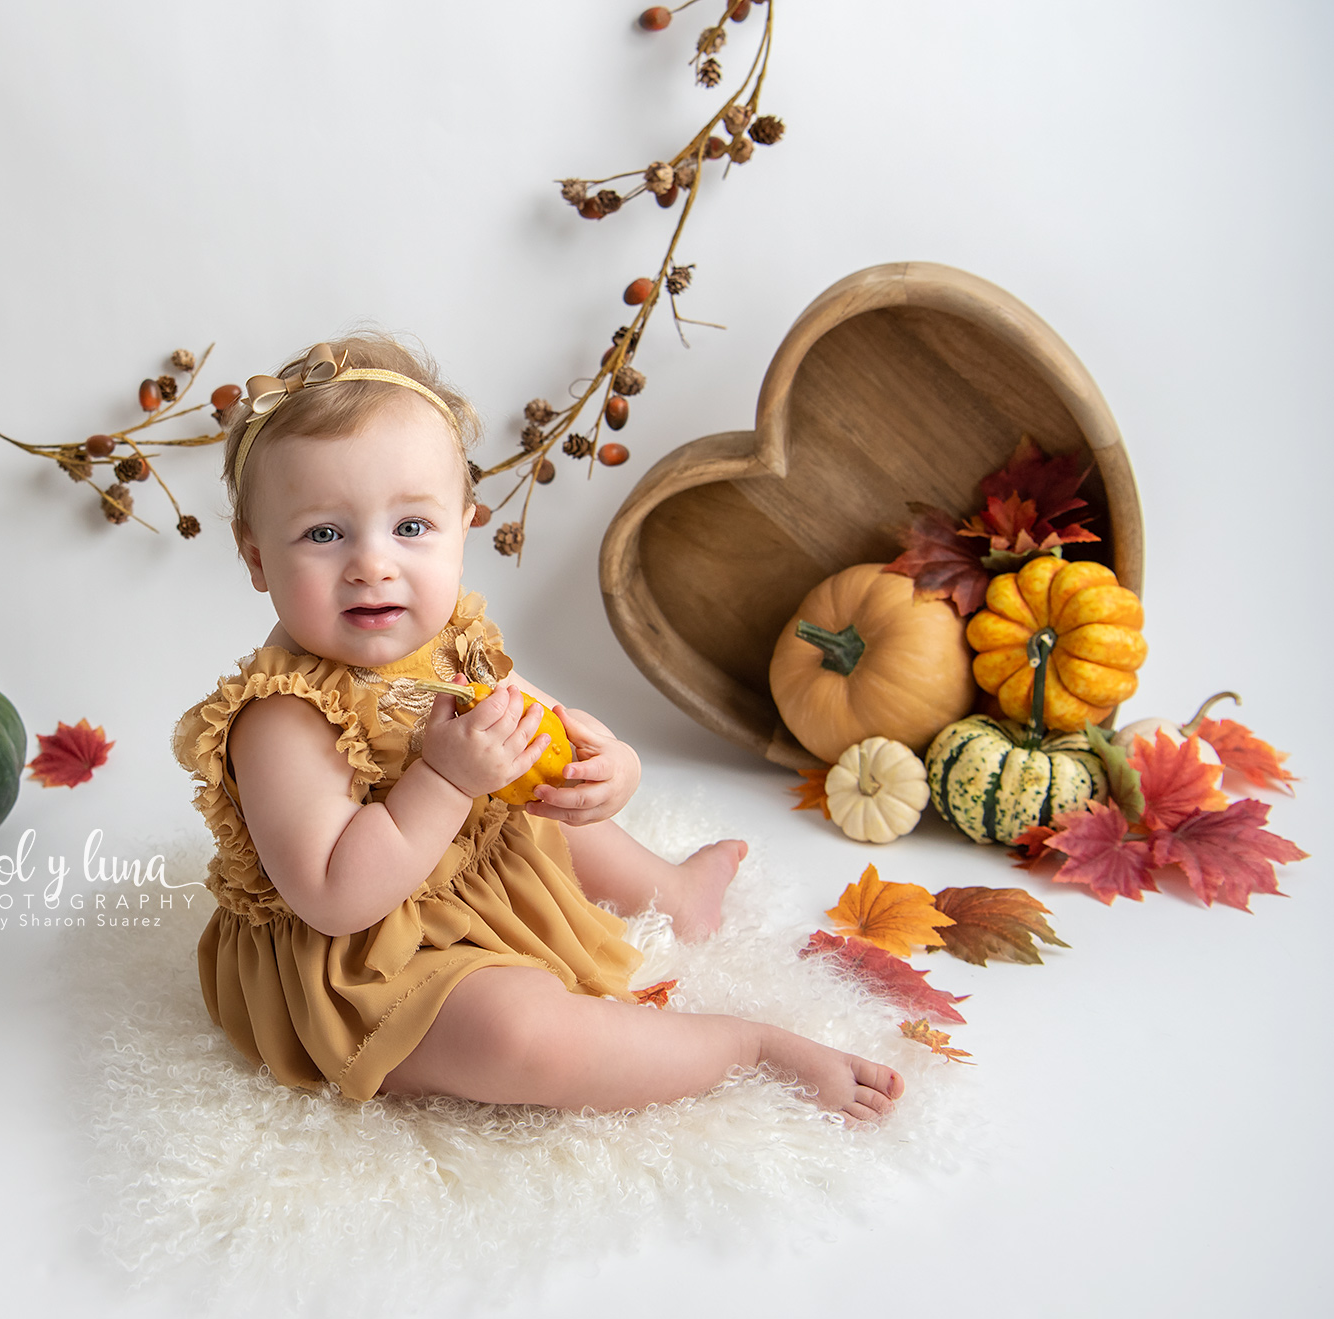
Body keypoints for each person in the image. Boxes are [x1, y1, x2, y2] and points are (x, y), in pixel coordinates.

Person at [170, 334, 902, 1121]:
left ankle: (674, 890)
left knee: (537, 785)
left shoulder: (449, 637)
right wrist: (447, 779)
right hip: (366, 967)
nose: (372, 565)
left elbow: (541, 727)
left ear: (464, 523)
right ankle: (741, 1047)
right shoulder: (282, 715)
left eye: (411, 527)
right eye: (323, 534)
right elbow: (336, 897)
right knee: (524, 1036)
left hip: (467, 879)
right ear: (255, 558)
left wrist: (608, 766)